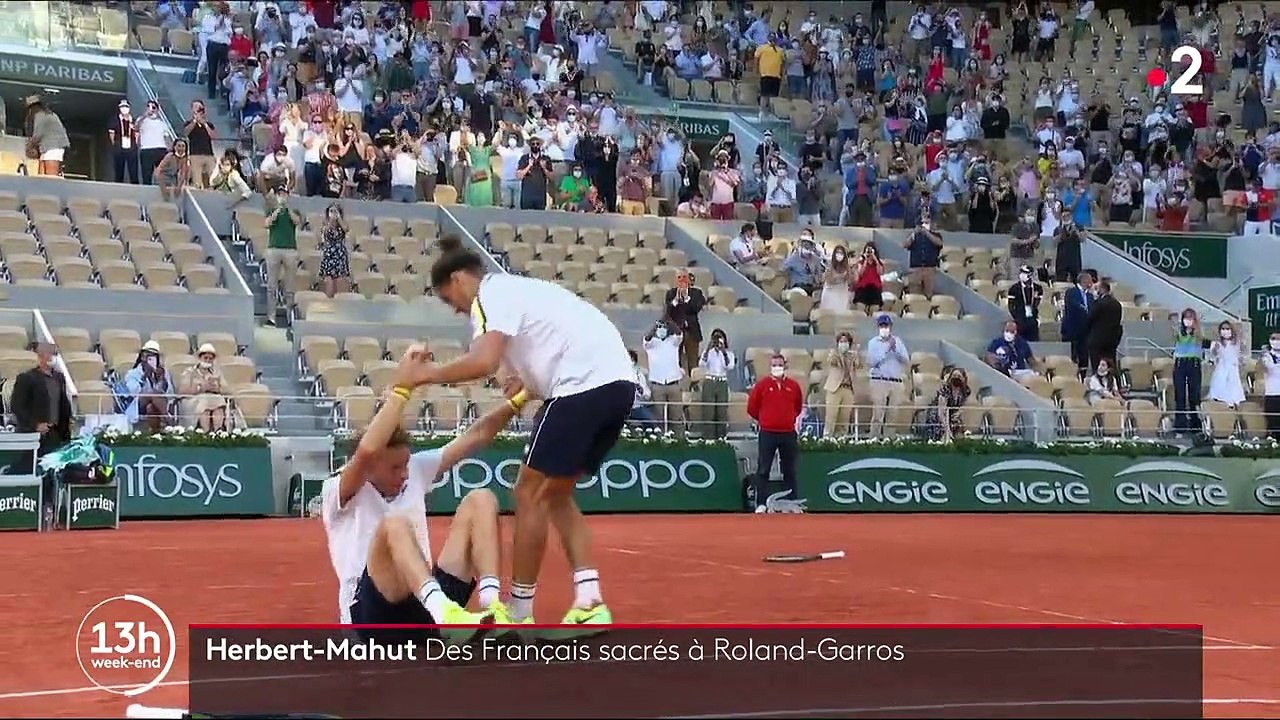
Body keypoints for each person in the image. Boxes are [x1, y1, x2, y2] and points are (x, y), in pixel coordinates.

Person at [421, 236, 635, 627]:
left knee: (528, 490)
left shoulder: (489, 296)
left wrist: (426, 376)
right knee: (554, 493)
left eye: (447, 298)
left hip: (583, 384)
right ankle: (589, 600)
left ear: (458, 280)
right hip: (618, 383)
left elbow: (482, 361)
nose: (454, 308)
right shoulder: (519, 290)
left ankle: (519, 611)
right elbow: (525, 358)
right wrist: (521, 379)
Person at [322, 345, 526, 640]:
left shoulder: (414, 470)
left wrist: (521, 399)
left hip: (424, 603)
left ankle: (491, 607)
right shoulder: (340, 489)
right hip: (372, 616)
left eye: (405, 464)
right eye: (395, 467)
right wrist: (403, 389)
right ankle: (444, 614)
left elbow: (477, 435)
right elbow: (366, 450)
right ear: (372, 464)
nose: (405, 473)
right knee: (395, 524)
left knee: (481, 499)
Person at [746, 353, 804, 513]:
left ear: (785, 366)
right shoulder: (762, 385)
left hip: (788, 433)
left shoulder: (793, 386)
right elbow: (752, 408)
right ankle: (761, 503)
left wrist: (788, 418)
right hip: (768, 433)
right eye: (774, 364)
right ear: (770, 366)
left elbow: (798, 407)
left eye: (780, 364)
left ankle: (792, 503)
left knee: (789, 470)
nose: (777, 367)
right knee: (763, 469)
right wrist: (765, 419)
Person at [9, 342, 73, 479]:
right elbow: (17, 406)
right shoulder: (27, 378)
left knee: (52, 472)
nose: (54, 357)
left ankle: (51, 498)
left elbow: (62, 403)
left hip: (55, 434)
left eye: (55, 354)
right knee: (31, 471)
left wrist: (67, 424)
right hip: (33, 435)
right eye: (52, 354)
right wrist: (35, 425)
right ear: (41, 356)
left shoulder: (59, 378)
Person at [865, 313, 910, 438]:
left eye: (887, 325)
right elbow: (871, 362)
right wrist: (886, 350)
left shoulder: (898, 341)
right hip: (879, 381)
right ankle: (874, 439)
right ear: (878, 327)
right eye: (882, 326)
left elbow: (906, 360)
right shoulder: (873, 343)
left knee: (893, 413)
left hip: (896, 381)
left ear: (891, 327)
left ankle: (888, 439)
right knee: (878, 413)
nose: (884, 328)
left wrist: (895, 349)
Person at [263, 186, 301, 324]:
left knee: (290, 287)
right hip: (273, 249)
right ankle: (271, 317)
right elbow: (267, 224)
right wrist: (278, 210)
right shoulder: (272, 210)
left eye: (284, 194)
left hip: (290, 250)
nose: (282, 196)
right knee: (271, 286)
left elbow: (297, 221)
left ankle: (289, 316)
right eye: (279, 194)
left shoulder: (293, 210)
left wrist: (287, 209)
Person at [642, 319, 685, 438]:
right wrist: (655, 327)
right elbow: (646, 339)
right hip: (657, 384)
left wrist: (670, 322)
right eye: (660, 328)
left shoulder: (673, 341)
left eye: (663, 327)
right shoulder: (651, 343)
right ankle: (659, 441)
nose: (662, 329)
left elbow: (680, 334)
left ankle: (679, 441)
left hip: (673, 383)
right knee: (657, 417)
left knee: (676, 417)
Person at [123, 341, 175, 432]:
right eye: (147, 356)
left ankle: (155, 433)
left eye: (153, 356)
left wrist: (162, 380)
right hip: (138, 405)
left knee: (151, 408)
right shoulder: (132, 374)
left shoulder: (163, 373)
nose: (149, 359)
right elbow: (133, 393)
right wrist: (144, 377)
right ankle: (168, 419)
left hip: (158, 405)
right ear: (142, 357)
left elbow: (169, 394)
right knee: (152, 393)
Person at [179, 344, 229, 431]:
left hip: (214, 400)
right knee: (204, 404)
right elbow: (182, 391)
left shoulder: (216, 373)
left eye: (210, 359)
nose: (208, 361)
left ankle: (218, 433)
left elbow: (227, 390)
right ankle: (205, 433)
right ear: (200, 358)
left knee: (219, 403)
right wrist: (201, 388)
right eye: (205, 358)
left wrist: (216, 389)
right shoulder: (190, 372)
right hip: (194, 401)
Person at [1171, 308, 1205, 436]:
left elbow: (1201, 339)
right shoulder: (1179, 332)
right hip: (1180, 363)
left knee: (1194, 395)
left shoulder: (1198, 333)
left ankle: (1196, 425)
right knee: (1180, 395)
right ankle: (1180, 426)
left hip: (1194, 363)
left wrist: (1195, 327)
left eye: (1191, 318)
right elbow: (1173, 337)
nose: (1188, 321)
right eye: (1186, 318)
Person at [663, 271, 705, 373]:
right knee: (675, 360)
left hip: (692, 331)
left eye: (684, 278)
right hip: (676, 331)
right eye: (679, 278)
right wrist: (676, 300)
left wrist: (686, 299)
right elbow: (669, 311)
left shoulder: (696, 293)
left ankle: (694, 383)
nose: (682, 281)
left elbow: (696, 308)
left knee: (693, 361)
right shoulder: (671, 293)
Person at [697, 329, 734, 440]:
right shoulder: (708, 352)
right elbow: (702, 364)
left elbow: (729, 366)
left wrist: (723, 351)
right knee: (708, 412)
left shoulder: (729, 354)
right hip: (709, 381)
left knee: (721, 412)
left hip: (722, 381)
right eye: (715, 338)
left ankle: (721, 438)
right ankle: (708, 439)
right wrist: (708, 348)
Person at [823, 332, 858, 437]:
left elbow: (859, 365)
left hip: (848, 388)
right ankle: (827, 439)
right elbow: (831, 361)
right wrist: (839, 354)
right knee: (831, 416)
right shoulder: (833, 354)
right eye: (841, 341)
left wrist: (855, 353)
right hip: (834, 389)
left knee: (844, 417)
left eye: (845, 341)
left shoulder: (853, 356)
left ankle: (841, 439)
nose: (843, 344)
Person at [24, 95, 69, 177]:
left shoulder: (40, 115)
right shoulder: (50, 114)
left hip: (53, 147)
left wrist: (29, 146)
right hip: (49, 147)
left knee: (50, 177)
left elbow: (37, 134)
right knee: (42, 176)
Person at [1060, 270, 1096, 372]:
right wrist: (1083, 308)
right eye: (1090, 281)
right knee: (1072, 358)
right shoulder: (1071, 292)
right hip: (1072, 330)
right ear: (1084, 281)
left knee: (1084, 357)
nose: (1091, 283)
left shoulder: (1090, 296)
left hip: (1085, 332)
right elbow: (1073, 307)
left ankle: (1083, 376)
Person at [1084, 280, 1123, 370]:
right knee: (1110, 366)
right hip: (1112, 341)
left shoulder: (1098, 303)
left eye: (1096, 288)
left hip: (1097, 341)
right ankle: (1111, 382)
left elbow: (1089, 318)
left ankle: (1099, 383)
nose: (1094, 291)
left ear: (1101, 289)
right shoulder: (1117, 304)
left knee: (1097, 367)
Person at [1207, 321, 1246, 408]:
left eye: (1227, 329)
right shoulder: (1216, 343)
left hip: (1233, 370)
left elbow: (1240, 356)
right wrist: (1215, 350)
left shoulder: (1237, 343)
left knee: (1234, 393)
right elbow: (1212, 356)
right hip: (1221, 369)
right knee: (1220, 390)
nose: (1225, 331)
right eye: (1223, 329)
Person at [925, 367, 970, 441]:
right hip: (938, 414)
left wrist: (959, 412)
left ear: (964, 378)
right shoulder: (945, 389)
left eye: (959, 376)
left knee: (958, 425)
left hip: (952, 414)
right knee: (943, 431)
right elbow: (941, 412)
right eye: (954, 375)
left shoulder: (966, 391)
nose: (956, 378)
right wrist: (947, 429)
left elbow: (963, 405)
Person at [318, 203, 352, 298]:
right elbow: (324, 231)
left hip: (340, 253)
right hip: (329, 254)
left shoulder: (342, 224)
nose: (333, 213)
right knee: (329, 281)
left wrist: (339, 219)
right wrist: (330, 221)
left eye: (335, 211)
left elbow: (346, 229)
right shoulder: (325, 224)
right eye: (331, 211)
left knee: (340, 281)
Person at [1006, 264, 1044, 342]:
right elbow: (1011, 306)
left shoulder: (1038, 288)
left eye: (1025, 273)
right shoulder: (1014, 289)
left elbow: (1037, 303)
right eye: (1021, 272)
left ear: (1030, 275)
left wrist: (1035, 316)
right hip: (1020, 320)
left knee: (1033, 341)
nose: (1022, 275)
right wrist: (1017, 318)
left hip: (1032, 320)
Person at [1262, 332, 1280, 441]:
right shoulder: (1266, 356)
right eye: (1274, 338)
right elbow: (1268, 368)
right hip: (1272, 392)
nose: (1276, 341)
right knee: (1272, 419)